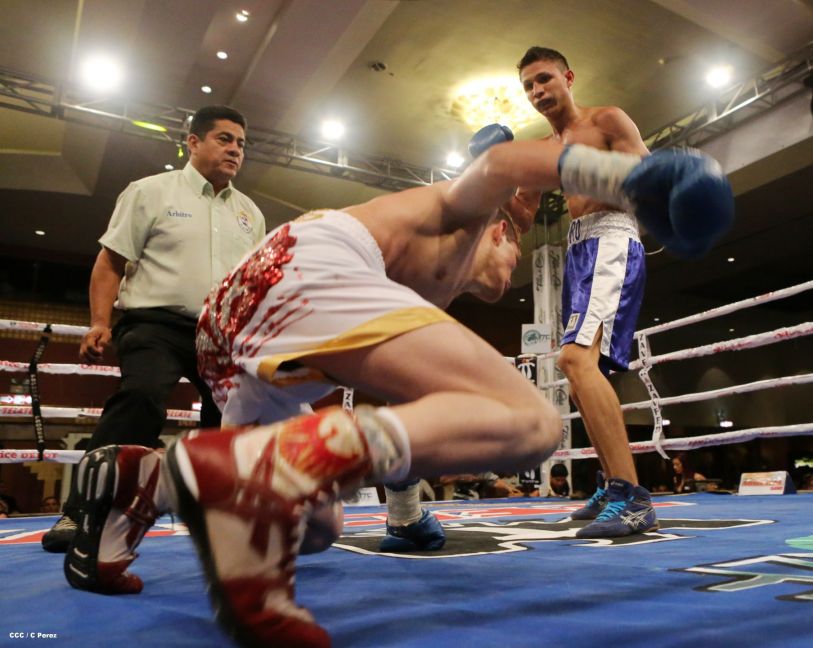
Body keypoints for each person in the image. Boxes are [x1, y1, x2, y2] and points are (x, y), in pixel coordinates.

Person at [62, 127, 733, 646]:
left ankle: (143, 480)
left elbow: (401, 418)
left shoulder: (406, 302)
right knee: (529, 423)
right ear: (500, 229)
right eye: (514, 252)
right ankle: (242, 467)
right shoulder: (466, 216)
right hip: (306, 264)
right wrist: (633, 175)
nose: (513, 271)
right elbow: (499, 167)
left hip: (232, 317)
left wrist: (404, 512)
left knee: (315, 525)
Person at [42, 105, 267, 553]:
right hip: (155, 323)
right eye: (224, 139)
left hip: (222, 334)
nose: (235, 150)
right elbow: (110, 261)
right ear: (194, 142)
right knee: (142, 397)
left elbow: (254, 285)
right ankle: (84, 509)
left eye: (241, 143)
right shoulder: (150, 192)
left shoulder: (251, 214)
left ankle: (221, 512)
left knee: (235, 417)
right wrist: (100, 322)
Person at [518, 46, 654, 538]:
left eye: (544, 79)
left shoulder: (607, 120)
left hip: (614, 237)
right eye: (529, 86)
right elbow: (522, 214)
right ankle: (612, 486)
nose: (537, 92)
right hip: (577, 251)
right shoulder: (542, 148)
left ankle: (632, 495)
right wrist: (493, 184)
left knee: (576, 360)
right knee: (578, 371)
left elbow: (649, 181)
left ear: (568, 77)